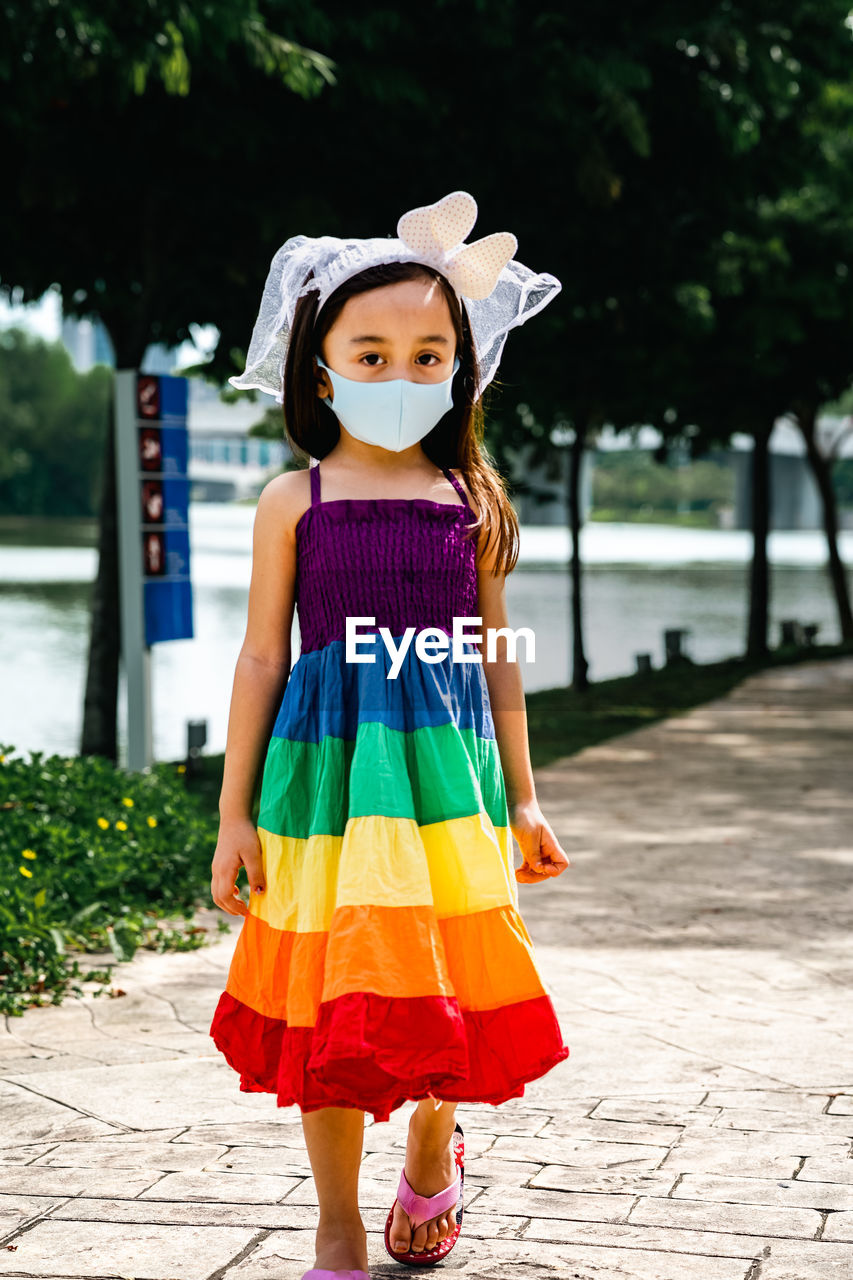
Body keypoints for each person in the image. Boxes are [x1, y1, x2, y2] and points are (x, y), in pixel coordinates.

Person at [209, 191, 571, 1280]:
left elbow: (500, 660)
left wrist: (525, 794)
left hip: (442, 777)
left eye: (428, 355)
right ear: (318, 367)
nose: (400, 375)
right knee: (332, 988)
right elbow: (264, 657)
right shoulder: (294, 499)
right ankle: (336, 1225)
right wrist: (231, 813)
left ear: (461, 370)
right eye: (370, 352)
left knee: (445, 972)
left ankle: (428, 1142)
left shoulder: (473, 498)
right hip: (322, 782)